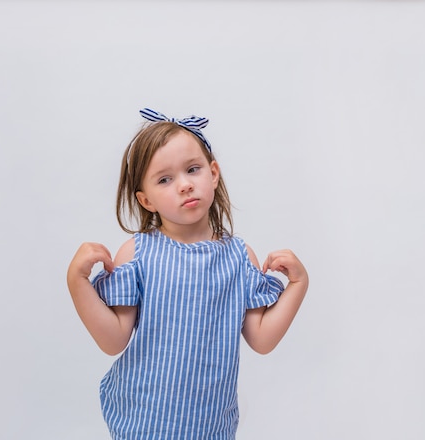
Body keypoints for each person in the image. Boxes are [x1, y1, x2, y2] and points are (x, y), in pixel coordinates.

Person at [67, 108, 309, 439]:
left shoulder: (238, 257)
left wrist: (297, 285)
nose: (184, 185)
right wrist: (77, 283)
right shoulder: (138, 253)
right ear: (146, 200)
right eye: (164, 179)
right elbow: (113, 340)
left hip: (209, 424)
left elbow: (262, 339)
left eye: (192, 170)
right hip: (144, 417)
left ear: (213, 173)